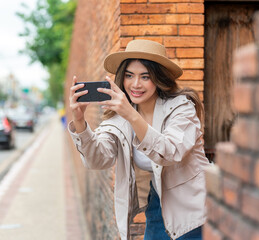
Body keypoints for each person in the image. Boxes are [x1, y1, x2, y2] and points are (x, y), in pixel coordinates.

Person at [68, 39, 210, 240]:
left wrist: (131, 116)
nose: (135, 84)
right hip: (158, 202)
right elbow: (98, 159)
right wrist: (79, 121)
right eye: (129, 76)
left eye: (145, 76)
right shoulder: (119, 116)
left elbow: (170, 152)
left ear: (159, 78)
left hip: (194, 206)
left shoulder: (181, 107)